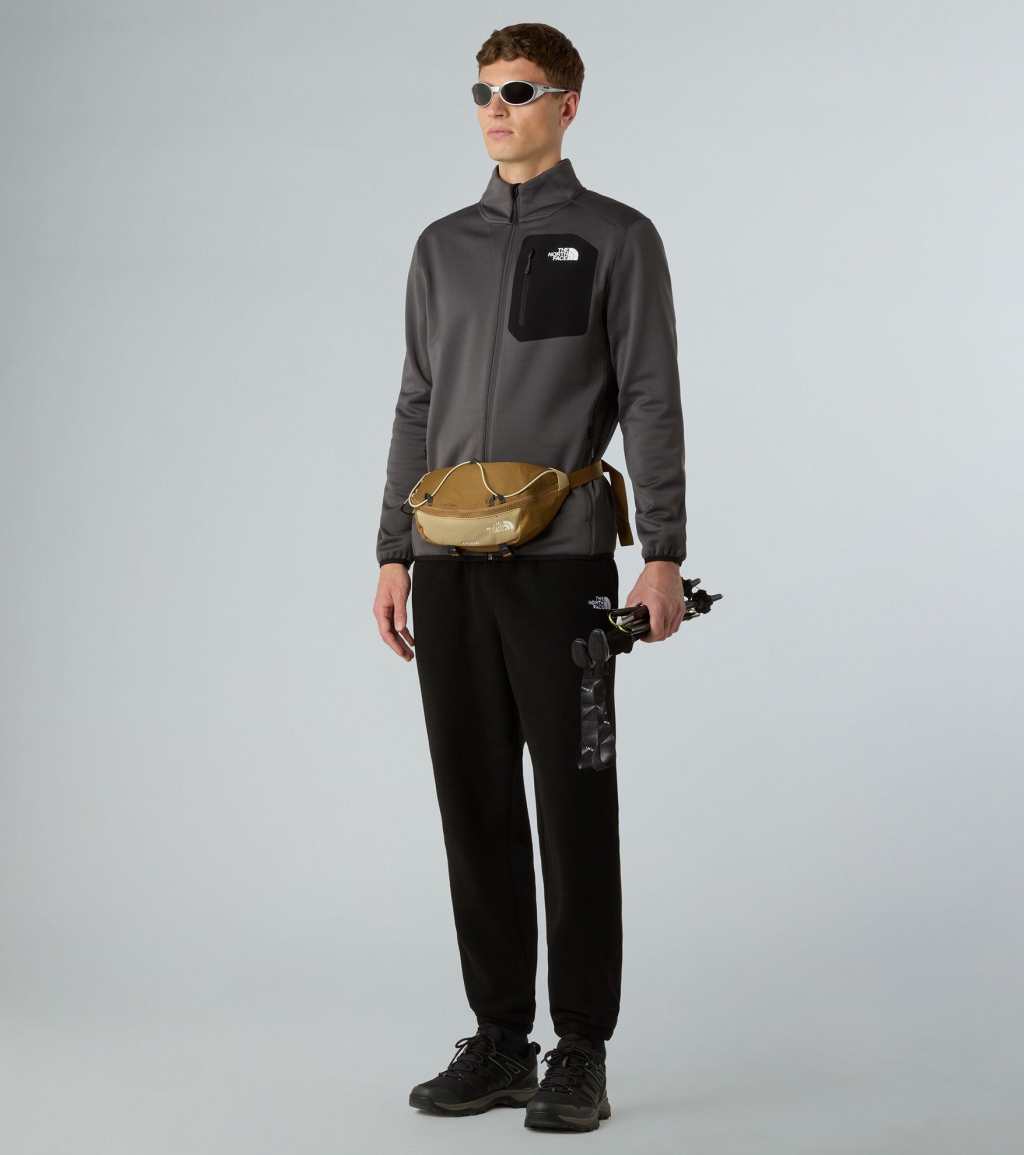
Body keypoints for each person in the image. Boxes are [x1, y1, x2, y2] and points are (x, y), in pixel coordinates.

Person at [372, 22, 688, 1133]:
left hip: (563, 569)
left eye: (517, 90)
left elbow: (649, 396)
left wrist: (662, 551)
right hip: (445, 565)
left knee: (573, 801)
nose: (495, 109)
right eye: (481, 93)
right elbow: (416, 402)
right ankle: (502, 1039)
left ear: (567, 104)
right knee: (474, 805)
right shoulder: (440, 247)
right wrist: (391, 551)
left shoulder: (617, 238)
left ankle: (581, 1049)